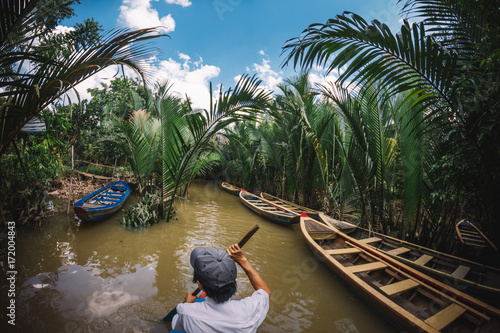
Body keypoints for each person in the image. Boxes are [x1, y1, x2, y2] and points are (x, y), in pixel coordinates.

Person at [171, 244, 271, 332]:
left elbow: (176, 327)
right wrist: (242, 260)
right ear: (233, 282)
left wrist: (188, 303)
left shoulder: (186, 312)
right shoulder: (248, 311)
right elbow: (265, 292)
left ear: (200, 284)